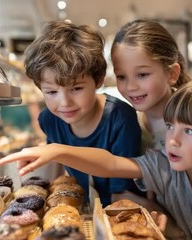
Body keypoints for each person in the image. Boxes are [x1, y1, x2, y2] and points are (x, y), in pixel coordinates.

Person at [0, 79, 192, 240]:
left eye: (189, 131)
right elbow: (110, 163)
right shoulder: (162, 164)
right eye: (170, 127)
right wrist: (59, 151)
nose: (173, 140)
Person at [21, 20, 144, 207]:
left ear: (98, 80)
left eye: (76, 88)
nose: (64, 103)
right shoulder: (49, 119)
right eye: (51, 92)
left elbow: (122, 194)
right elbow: (57, 171)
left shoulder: (120, 118)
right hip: (80, 209)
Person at [110, 19, 192, 152]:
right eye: (121, 76)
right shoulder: (127, 124)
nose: (131, 87)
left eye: (142, 75)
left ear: (172, 74)